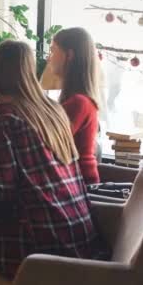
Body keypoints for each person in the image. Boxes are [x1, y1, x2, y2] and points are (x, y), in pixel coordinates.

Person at [0, 40, 107, 280]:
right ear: (29, 71)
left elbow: (2, 190)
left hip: (40, 250)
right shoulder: (52, 110)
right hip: (80, 240)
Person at [47, 27, 102, 185]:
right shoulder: (78, 100)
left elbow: (48, 144)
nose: (49, 58)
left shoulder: (79, 103)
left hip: (80, 189)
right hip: (73, 183)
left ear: (69, 55)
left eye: (53, 50)